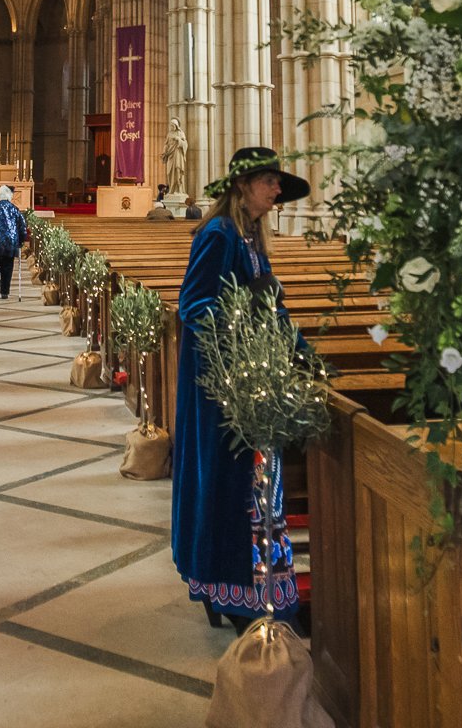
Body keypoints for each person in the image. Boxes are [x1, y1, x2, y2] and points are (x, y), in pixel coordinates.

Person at [171, 145, 310, 634]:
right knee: (228, 484)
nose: (276, 190)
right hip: (220, 384)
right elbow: (193, 305)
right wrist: (244, 327)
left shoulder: (250, 236)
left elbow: (269, 301)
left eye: (277, 182)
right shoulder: (218, 233)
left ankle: (253, 584)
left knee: (252, 485)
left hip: (251, 379)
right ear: (243, 187)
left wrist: (299, 348)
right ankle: (227, 585)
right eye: (269, 181)